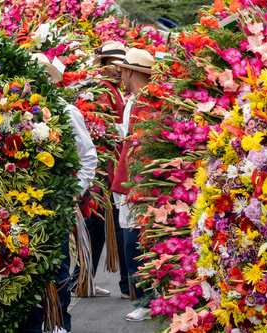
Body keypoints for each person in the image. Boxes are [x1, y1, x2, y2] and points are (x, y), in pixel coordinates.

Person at [23, 53, 98, 333]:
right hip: (23, 206)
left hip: (56, 204)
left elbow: (88, 156)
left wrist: (72, 193)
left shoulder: (67, 111)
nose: (33, 82)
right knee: (26, 269)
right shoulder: (15, 110)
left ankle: (59, 324)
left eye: (40, 76)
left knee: (58, 267)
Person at [70, 41, 130, 299]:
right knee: (99, 227)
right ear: (103, 66)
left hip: (109, 170)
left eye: (121, 66)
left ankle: (83, 281)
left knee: (102, 228)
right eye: (113, 65)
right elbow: (101, 131)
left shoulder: (114, 90)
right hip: (103, 173)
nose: (118, 70)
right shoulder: (103, 90)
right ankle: (83, 282)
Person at [111, 48, 155, 322]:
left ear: (129, 72)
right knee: (132, 243)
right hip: (132, 184)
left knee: (135, 244)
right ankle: (144, 299)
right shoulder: (135, 100)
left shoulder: (145, 102)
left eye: (122, 69)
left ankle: (147, 301)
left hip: (139, 186)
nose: (119, 74)